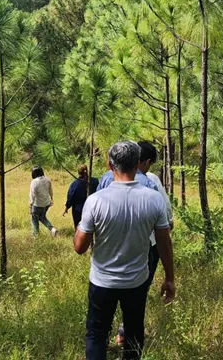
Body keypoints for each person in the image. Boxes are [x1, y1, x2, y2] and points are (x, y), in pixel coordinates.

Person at [74, 141, 175, 360]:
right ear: (138, 164)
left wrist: (80, 227)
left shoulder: (96, 201)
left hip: (102, 281)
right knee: (133, 332)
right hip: (136, 281)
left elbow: (79, 247)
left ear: (110, 165)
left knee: (97, 334)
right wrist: (169, 277)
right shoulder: (153, 199)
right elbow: (164, 243)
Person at [29, 166, 58, 237]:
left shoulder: (34, 182)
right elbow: (50, 190)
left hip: (37, 204)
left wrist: (30, 205)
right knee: (42, 217)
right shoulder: (47, 179)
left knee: (34, 220)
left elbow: (32, 194)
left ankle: (35, 236)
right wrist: (51, 198)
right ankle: (52, 229)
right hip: (46, 203)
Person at [64, 165, 92, 229]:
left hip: (78, 209)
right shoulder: (94, 181)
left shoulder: (75, 184)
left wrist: (67, 207)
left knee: (78, 226)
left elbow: (71, 196)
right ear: (87, 171)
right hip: (91, 207)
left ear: (78, 172)